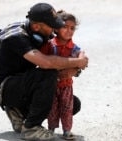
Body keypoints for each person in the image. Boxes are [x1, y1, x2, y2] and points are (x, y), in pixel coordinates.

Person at [0, 3, 88, 141]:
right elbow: (46, 62)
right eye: (52, 26)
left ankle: (18, 112)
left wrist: (74, 69)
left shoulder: (42, 33)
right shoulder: (18, 36)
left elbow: (73, 56)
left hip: (26, 85)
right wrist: (78, 63)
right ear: (37, 26)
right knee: (49, 73)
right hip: (7, 88)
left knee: (72, 104)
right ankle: (31, 128)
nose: (55, 29)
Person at [40, 10, 81, 140]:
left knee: (67, 108)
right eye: (65, 27)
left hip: (67, 85)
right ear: (56, 29)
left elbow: (80, 61)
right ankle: (50, 130)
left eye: (72, 28)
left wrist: (78, 64)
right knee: (52, 108)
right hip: (51, 85)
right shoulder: (50, 45)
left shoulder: (74, 48)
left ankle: (67, 131)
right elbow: (41, 60)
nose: (69, 30)